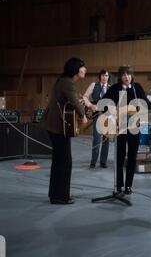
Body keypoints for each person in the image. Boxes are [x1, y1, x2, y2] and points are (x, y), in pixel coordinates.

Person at [40, 58, 88, 205]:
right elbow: (73, 101)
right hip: (57, 127)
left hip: (54, 126)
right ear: (75, 69)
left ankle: (56, 195)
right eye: (82, 67)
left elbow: (69, 100)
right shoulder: (67, 82)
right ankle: (60, 197)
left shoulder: (63, 80)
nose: (85, 69)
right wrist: (84, 116)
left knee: (59, 161)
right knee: (64, 162)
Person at [103, 65, 150, 194]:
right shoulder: (114, 88)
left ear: (132, 76)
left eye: (128, 74)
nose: (126, 77)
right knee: (120, 156)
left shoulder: (137, 88)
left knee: (132, 157)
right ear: (120, 76)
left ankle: (128, 185)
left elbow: (147, 104)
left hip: (135, 126)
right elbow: (104, 104)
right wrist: (113, 112)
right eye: (123, 74)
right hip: (120, 126)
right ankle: (118, 185)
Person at [83, 69, 111, 168]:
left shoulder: (111, 88)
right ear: (100, 76)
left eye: (106, 75)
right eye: (103, 75)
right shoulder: (93, 85)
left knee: (106, 139)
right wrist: (90, 105)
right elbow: (85, 97)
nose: (104, 77)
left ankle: (103, 162)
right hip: (96, 114)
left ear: (108, 77)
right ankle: (93, 161)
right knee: (97, 139)